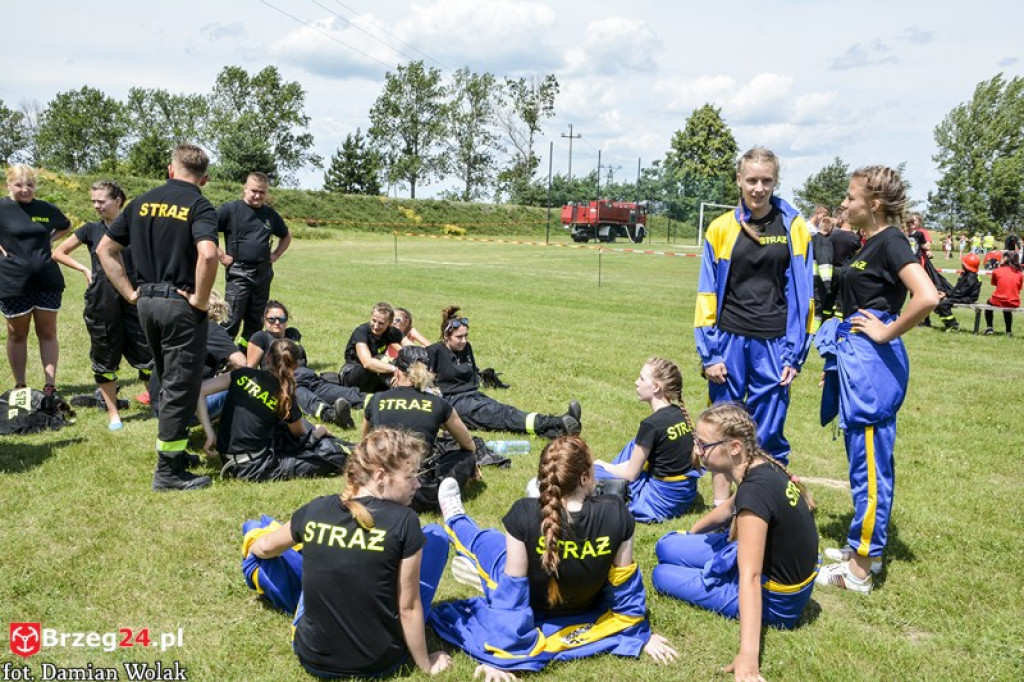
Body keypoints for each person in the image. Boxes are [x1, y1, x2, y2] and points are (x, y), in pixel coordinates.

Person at [428, 436, 679, 677]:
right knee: (496, 546)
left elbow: (512, 592)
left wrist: (505, 654)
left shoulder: (524, 512)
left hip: (532, 602)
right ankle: (474, 559)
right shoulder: (617, 511)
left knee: (486, 543)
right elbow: (624, 584)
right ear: (584, 477)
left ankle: (455, 518)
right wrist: (636, 631)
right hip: (585, 610)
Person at [815, 165, 939, 593]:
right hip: (858, 365)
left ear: (875, 204)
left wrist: (885, 332)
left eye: (850, 197)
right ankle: (862, 547)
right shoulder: (873, 243)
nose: (844, 204)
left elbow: (926, 296)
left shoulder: (892, 242)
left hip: (873, 366)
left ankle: (860, 572)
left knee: (870, 469)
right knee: (862, 463)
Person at [243, 428, 452, 678]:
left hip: (312, 656)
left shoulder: (317, 509)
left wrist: (255, 543)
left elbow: (264, 548)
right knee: (436, 536)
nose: (418, 484)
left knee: (255, 529)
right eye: (410, 476)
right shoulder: (405, 521)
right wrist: (426, 664)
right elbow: (408, 608)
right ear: (380, 476)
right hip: (380, 661)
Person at [652, 403, 818, 682]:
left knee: (662, 574)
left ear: (734, 447)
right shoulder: (761, 464)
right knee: (666, 545)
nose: (697, 451)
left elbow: (750, 578)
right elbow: (728, 508)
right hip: (779, 574)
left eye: (703, 444)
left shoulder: (755, 495)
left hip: (779, 600)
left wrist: (748, 658)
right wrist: (693, 532)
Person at [693, 147, 813, 508]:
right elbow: (706, 293)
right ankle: (720, 508)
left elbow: (803, 296)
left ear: (775, 181)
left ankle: (764, 506)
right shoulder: (720, 228)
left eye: (766, 180)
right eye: (752, 180)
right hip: (728, 342)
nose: (759, 188)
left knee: (768, 431)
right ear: (739, 181)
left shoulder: (793, 226)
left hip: (775, 344)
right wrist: (710, 353)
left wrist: (796, 353)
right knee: (721, 427)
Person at [98, 143, 219, 491]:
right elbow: (208, 256)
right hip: (178, 305)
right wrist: (199, 300)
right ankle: (168, 473)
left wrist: (130, 293)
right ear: (205, 178)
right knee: (182, 386)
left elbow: (105, 249)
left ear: (170, 170)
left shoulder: (139, 202)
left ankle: (177, 455)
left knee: (168, 381)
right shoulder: (199, 205)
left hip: (147, 301)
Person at [53, 180, 153, 430]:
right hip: (102, 300)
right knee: (105, 355)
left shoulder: (136, 227)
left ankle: (157, 403)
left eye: (102, 201)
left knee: (147, 353)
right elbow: (58, 252)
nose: (97, 206)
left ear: (118, 200)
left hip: (134, 298)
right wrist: (85, 269)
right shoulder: (89, 230)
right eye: (94, 201)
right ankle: (113, 414)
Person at [197, 338, 347, 481]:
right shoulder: (285, 396)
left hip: (226, 456)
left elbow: (200, 391)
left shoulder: (242, 374)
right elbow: (300, 437)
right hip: (254, 467)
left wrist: (209, 433)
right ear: (295, 367)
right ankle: (339, 446)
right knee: (332, 459)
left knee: (284, 425)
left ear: (267, 358)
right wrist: (318, 432)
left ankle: (336, 442)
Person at [426, 306, 581, 438]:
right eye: (459, 337)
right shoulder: (434, 351)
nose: (464, 340)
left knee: (505, 415)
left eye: (466, 335)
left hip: (474, 397)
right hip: (455, 404)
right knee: (503, 416)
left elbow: (472, 374)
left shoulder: (466, 348)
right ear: (446, 336)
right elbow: (421, 381)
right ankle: (558, 421)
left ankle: (558, 433)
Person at [362, 345, 477, 511]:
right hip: (419, 491)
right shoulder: (438, 403)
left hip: (380, 486)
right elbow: (467, 444)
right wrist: (473, 463)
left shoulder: (377, 399)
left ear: (397, 372)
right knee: (467, 456)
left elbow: (364, 444)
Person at [593, 357, 701, 523]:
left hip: (658, 504)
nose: (636, 382)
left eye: (642, 378)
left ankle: (613, 485)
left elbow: (630, 475)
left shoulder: (651, 425)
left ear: (656, 387)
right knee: (635, 443)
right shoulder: (681, 414)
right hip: (685, 496)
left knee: (590, 472)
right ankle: (613, 476)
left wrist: (602, 464)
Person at [0, 164, 71, 394]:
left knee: (48, 333)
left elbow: (66, 225)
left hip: (47, 280)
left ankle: (50, 385)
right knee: (17, 334)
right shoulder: (2, 208)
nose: (25, 189)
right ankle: (20, 385)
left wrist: (50, 239)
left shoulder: (46, 208)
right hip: (13, 282)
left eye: (30, 185)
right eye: (19, 184)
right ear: (8, 184)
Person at [247, 300, 360, 427]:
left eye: (281, 318)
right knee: (309, 399)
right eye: (271, 319)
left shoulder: (293, 334)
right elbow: (250, 368)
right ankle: (333, 415)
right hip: (287, 382)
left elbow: (303, 361)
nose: (277, 323)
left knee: (347, 393)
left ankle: (376, 401)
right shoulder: (260, 337)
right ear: (264, 319)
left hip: (310, 378)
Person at [216, 172, 291, 347]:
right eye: (254, 191)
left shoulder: (270, 215)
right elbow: (206, 232)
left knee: (255, 322)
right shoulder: (230, 209)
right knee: (231, 321)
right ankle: (221, 361)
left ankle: (246, 357)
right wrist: (221, 255)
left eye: (262, 192)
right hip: (239, 273)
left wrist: (276, 255)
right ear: (245, 189)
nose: (257, 196)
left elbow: (286, 236)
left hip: (263, 273)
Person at [339, 302, 406, 393]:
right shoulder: (361, 332)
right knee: (373, 367)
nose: (376, 326)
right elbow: (367, 362)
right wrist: (394, 369)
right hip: (354, 373)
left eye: (381, 323)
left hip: (376, 373)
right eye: (374, 320)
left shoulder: (392, 332)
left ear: (390, 323)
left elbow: (412, 350)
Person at [933, 253, 982, 331]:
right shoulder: (968, 274)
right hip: (964, 296)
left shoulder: (971, 277)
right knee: (940, 303)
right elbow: (958, 290)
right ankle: (948, 324)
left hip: (967, 298)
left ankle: (953, 325)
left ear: (966, 265)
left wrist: (947, 294)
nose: (962, 264)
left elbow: (960, 292)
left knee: (943, 304)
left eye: (963, 263)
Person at [982, 251, 1022, 336]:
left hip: (998, 300)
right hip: (1014, 301)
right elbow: (1019, 288)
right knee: (1007, 308)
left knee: (989, 304)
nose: (1000, 259)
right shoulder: (1019, 273)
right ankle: (1008, 331)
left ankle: (989, 327)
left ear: (1006, 259)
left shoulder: (997, 271)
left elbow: (994, 283)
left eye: (1002, 257)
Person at [811, 216, 835, 330]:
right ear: (830, 229)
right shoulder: (825, 242)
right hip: (820, 279)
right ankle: (814, 331)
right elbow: (824, 262)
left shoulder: (811, 239)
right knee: (818, 307)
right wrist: (827, 284)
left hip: (808, 278)